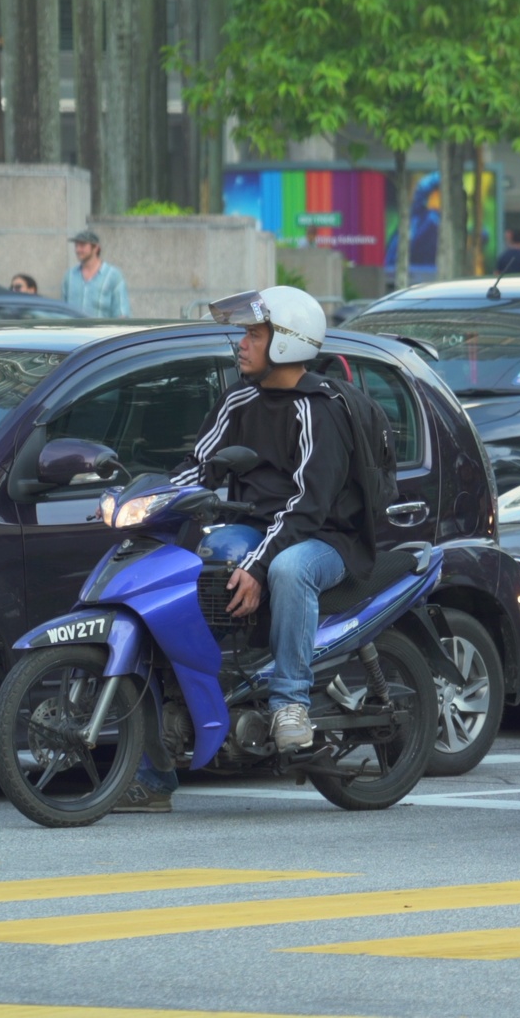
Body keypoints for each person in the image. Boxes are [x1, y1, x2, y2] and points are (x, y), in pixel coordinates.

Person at [119, 287, 372, 813]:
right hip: (258, 530)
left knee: (287, 569)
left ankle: (289, 706)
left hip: (325, 539)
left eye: (254, 335)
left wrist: (256, 566)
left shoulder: (317, 410)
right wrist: (145, 502)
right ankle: (162, 761)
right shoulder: (239, 399)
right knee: (190, 576)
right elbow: (198, 468)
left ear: (286, 342)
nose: (242, 344)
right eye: (245, 333)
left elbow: (308, 505)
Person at [64, 229, 130, 317]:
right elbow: (63, 310)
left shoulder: (113, 276)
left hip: (102, 330)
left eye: (82, 245)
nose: (78, 249)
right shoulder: (70, 276)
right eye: (76, 245)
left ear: (96, 248)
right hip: (74, 330)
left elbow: (122, 313)